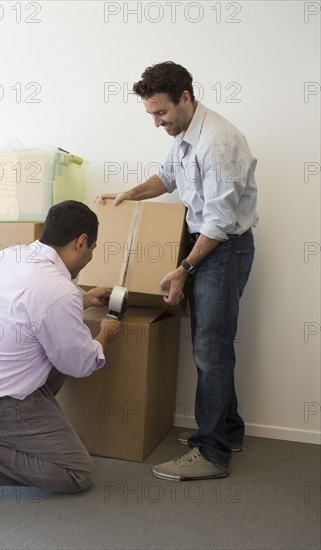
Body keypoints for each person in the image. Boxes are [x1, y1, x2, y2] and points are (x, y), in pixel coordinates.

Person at [97, 61, 258, 481]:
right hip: (206, 248)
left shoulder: (217, 142)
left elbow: (220, 223)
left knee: (210, 348)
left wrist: (184, 267)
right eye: (151, 114)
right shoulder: (186, 133)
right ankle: (228, 431)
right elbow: (168, 177)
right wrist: (130, 193)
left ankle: (212, 453)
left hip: (222, 249)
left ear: (185, 97)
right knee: (210, 344)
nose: (157, 122)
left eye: (161, 113)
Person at [0, 200, 121, 508]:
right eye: (92, 249)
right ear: (81, 242)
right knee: (78, 472)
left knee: (60, 340)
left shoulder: (7, 256)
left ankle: (20, 433)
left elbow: (31, 305)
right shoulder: (57, 292)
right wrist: (104, 337)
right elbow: (81, 363)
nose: (90, 257)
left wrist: (82, 298)